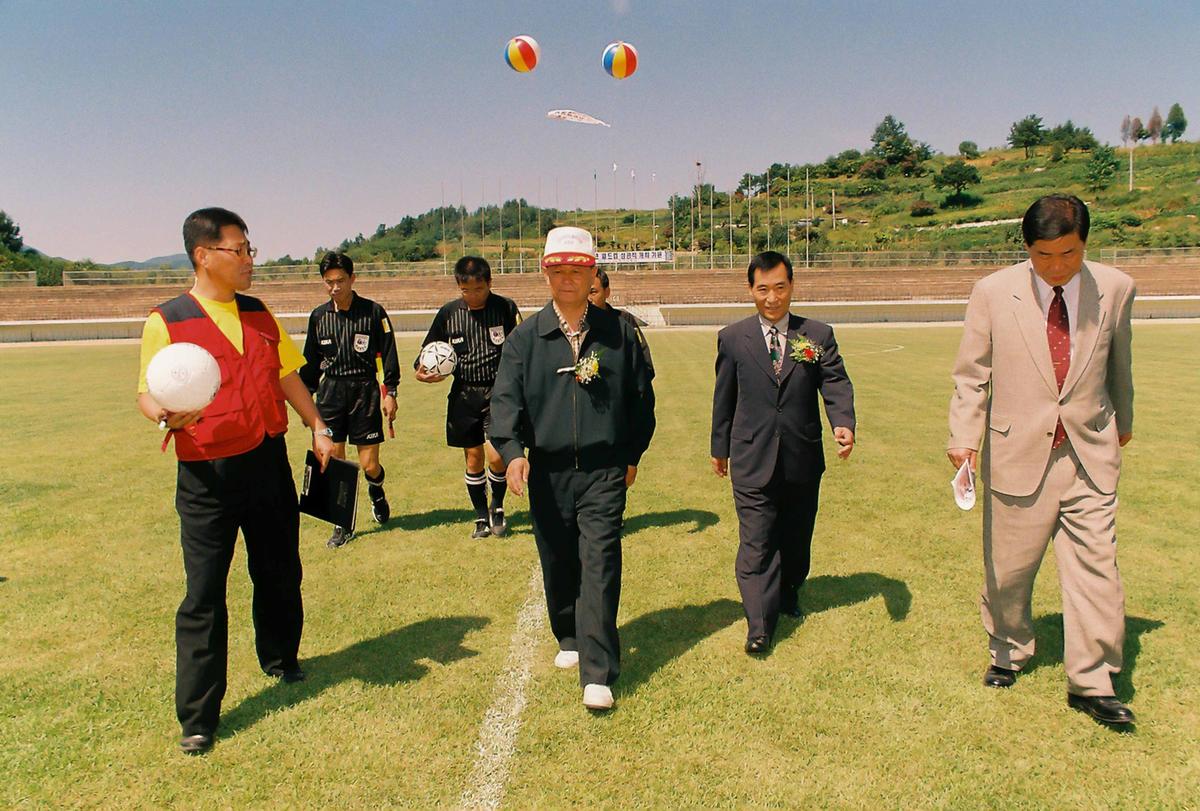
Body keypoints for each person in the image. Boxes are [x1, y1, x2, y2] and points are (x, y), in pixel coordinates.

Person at [136, 207, 334, 755]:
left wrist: (316, 424)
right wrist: (162, 415)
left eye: (250, 249)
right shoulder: (168, 319)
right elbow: (146, 392)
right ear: (204, 255)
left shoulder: (259, 312)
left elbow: (286, 373)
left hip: (267, 460)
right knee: (203, 593)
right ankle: (199, 716)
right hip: (207, 475)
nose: (250, 260)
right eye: (239, 250)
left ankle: (281, 658)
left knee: (278, 570)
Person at [948, 194, 1137, 725]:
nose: (1057, 268)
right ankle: (1008, 650)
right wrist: (964, 437)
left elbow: (1119, 361)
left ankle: (1093, 681)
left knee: (1097, 568)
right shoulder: (991, 293)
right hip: (1018, 451)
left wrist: (1122, 421)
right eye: (1043, 256)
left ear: (1085, 243)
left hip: (1089, 452)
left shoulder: (1116, 289)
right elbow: (971, 374)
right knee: (1008, 572)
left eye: (1070, 254)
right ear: (1026, 247)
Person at [490, 227, 656, 711]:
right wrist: (514, 452)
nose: (567, 280)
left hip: (605, 470)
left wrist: (631, 454)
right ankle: (568, 633)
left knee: (600, 560)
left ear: (592, 275)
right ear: (545, 274)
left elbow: (640, 399)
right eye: (558, 271)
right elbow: (505, 404)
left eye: (577, 271)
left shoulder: (619, 334)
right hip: (549, 471)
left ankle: (598, 672)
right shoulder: (526, 339)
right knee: (558, 557)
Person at [710, 250, 855, 655]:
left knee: (795, 538)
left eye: (780, 288)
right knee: (755, 541)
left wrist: (842, 422)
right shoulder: (733, 338)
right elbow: (724, 398)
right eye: (763, 289)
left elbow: (836, 383)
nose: (772, 298)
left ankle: (790, 588)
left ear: (792, 286)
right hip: (751, 456)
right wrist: (718, 447)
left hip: (801, 456)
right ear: (750, 289)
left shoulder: (817, 335)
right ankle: (759, 624)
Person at [414, 256, 522, 539]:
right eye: (466, 290)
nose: (473, 296)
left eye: (479, 289)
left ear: (489, 283)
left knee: (496, 457)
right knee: (473, 458)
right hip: (463, 395)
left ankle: (497, 507)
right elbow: (426, 352)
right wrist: (422, 371)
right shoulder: (449, 313)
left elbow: (523, 349)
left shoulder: (505, 308)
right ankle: (480, 517)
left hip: (499, 393)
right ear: (458, 287)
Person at [300, 251, 400, 548]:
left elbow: (389, 354)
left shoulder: (373, 312)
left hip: (364, 392)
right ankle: (341, 524)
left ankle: (377, 491)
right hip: (330, 394)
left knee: (369, 464)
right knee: (335, 461)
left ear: (352, 279)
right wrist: (307, 401)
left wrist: (390, 392)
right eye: (329, 282)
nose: (335, 287)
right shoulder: (319, 317)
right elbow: (310, 362)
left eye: (340, 281)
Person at [588, 267, 654, 375]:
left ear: (607, 292)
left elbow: (645, 365)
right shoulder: (575, 325)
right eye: (584, 292)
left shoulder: (625, 320)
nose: (588, 298)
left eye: (593, 292)